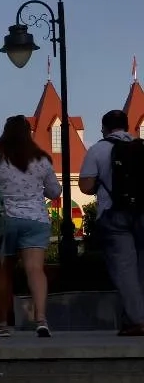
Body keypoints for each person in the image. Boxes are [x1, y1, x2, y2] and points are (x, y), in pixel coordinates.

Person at [0, 114, 61, 338]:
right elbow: (55, 191)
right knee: (35, 270)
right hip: (36, 220)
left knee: (3, 272)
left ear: (5, 133)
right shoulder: (42, 159)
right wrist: (36, 190)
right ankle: (41, 320)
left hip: (4, 221)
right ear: (29, 133)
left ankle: (2, 324)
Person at [79, 109, 144, 336]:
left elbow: (85, 186)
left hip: (114, 214)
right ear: (127, 126)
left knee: (125, 269)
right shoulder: (140, 147)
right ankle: (135, 316)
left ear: (104, 129)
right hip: (142, 212)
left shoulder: (98, 149)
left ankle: (137, 320)